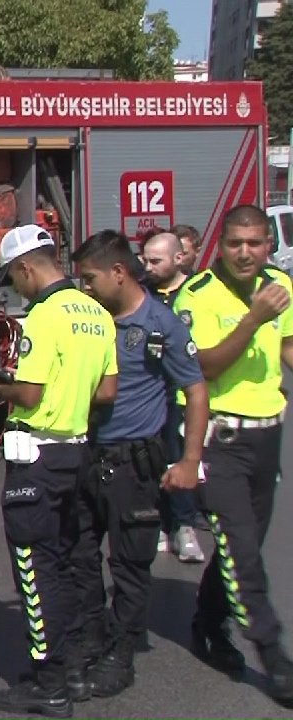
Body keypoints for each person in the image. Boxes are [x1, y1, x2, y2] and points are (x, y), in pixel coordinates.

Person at [0, 224, 118, 716]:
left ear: (26, 267)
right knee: (69, 564)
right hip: (76, 454)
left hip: (36, 457)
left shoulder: (43, 316)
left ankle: (49, 681)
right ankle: (73, 668)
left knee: (36, 573)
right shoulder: (98, 313)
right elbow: (105, 393)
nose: (16, 288)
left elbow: (29, 394)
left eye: (14, 279)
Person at [69, 230, 209, 698]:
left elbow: (194, 390)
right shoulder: (91, 319)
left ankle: (122, 651)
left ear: (118, 272)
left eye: (90, 279)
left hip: (134, 463)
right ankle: (92, 634)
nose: (85, 288)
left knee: (129, 563)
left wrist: (190, 460)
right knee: (80, 555)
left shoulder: (160, 325)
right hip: (87, 456)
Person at [172, 204, 293, 705]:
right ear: (219, 244)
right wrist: (253, 318)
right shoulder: (196, 294)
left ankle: (206, 623)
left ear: (269, 245)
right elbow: (205, 367)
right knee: (242, 553)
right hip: (219, 440)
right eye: (236, 242)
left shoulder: (278, 286)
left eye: (256, 243)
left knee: (239, 548)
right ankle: (274, 656)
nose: (246, 252)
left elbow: (286, 349)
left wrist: (271, 320)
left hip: (268, 437)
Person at [141, 231, 210, 560]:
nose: (148, 267)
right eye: (144, 260)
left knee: (183, 460)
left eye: (155, 261)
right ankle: (162, 525)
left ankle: (186, 526)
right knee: (155, 460)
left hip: (186, 395)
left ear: (178, 258)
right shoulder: (144, 294)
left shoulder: (197, 293)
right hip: (155, 394)